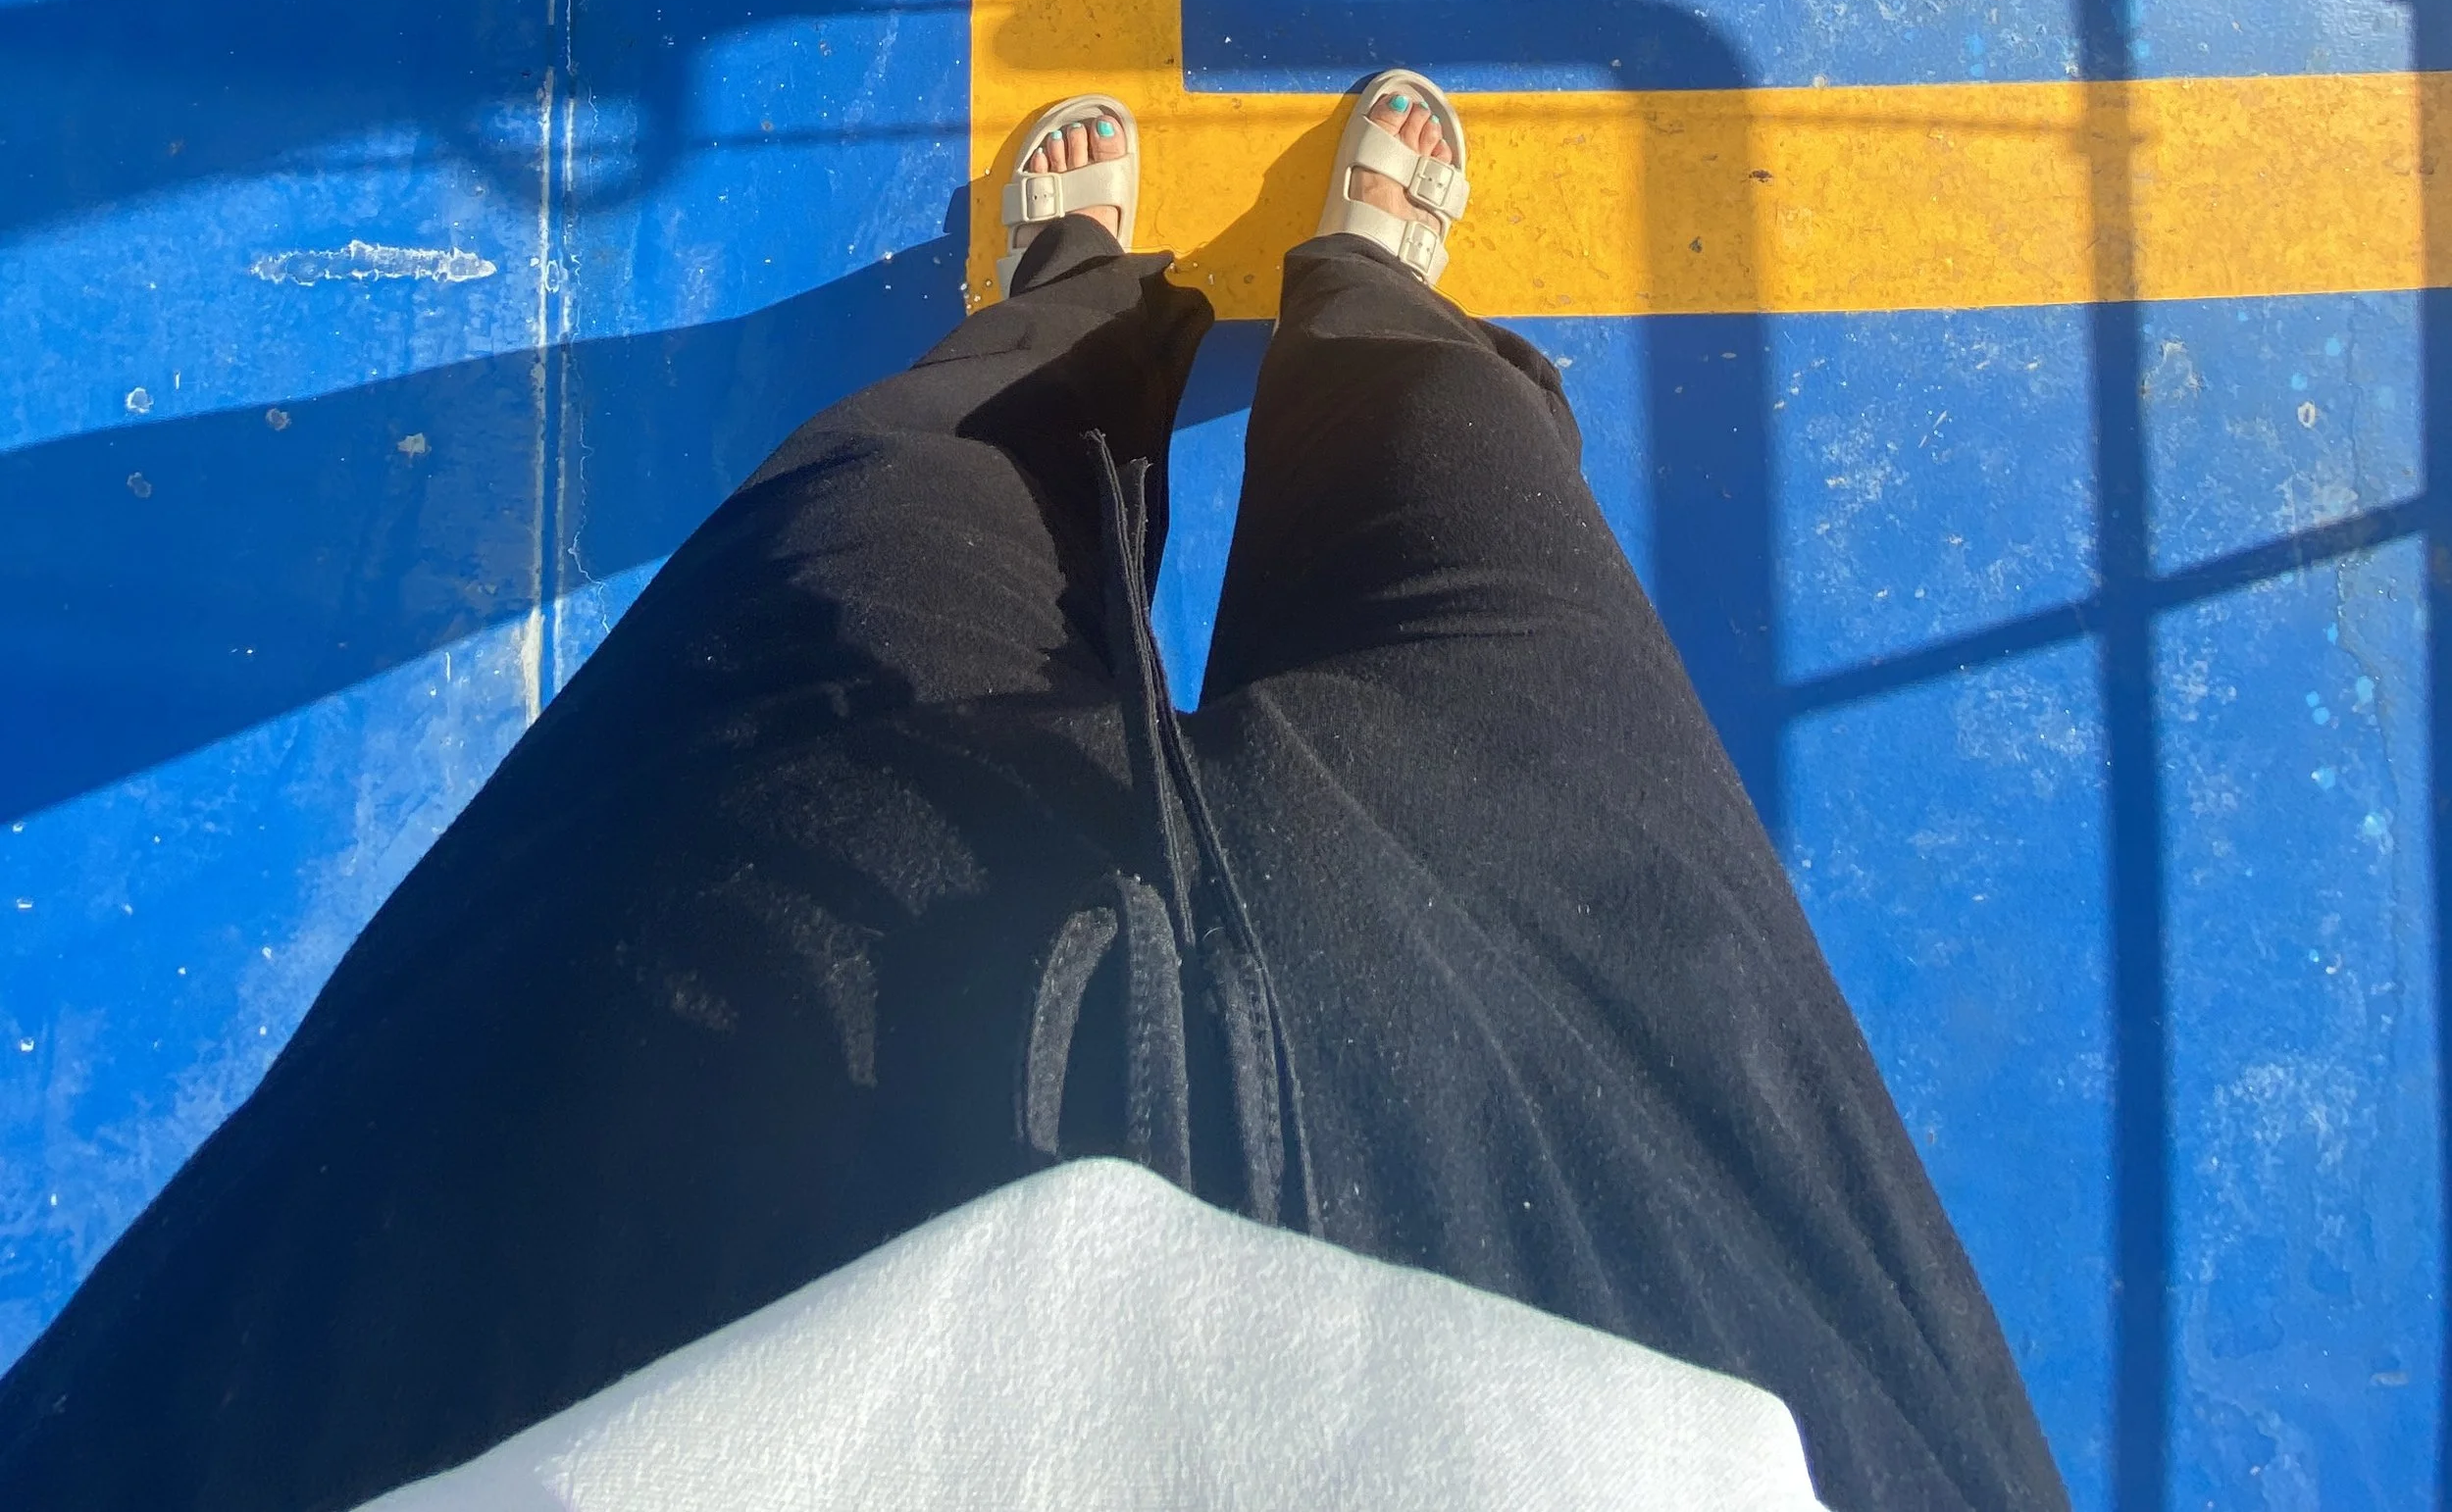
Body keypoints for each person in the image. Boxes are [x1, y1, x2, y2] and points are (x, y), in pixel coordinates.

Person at [0, 78, 2069, 1512]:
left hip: (582, 1326)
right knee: (1492, 558)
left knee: (890, 526)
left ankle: (1069, 308)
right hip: (1647, 1373)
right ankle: (1373, 312)